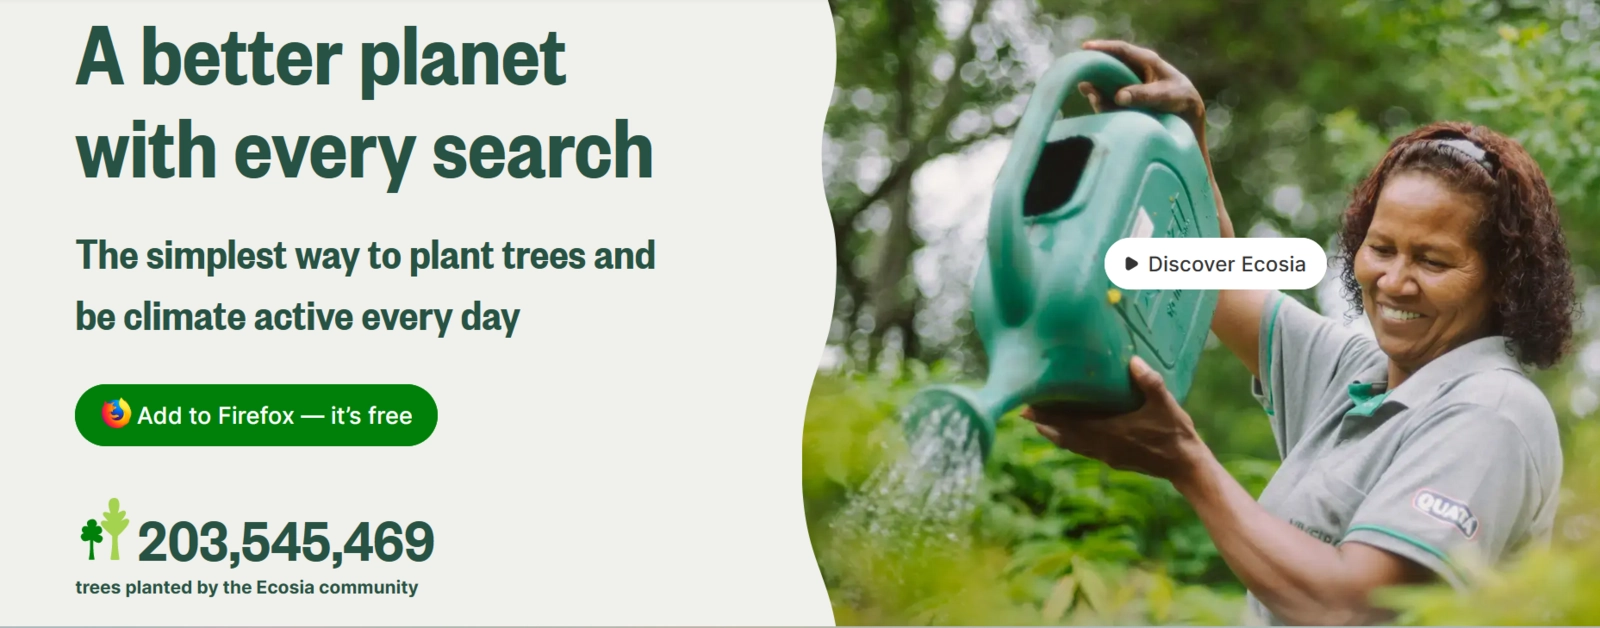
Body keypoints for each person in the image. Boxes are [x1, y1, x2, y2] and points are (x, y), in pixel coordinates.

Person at [1024, 40, 1576, 625]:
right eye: (1381, 248)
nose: (1394, 281)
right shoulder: (1357, 374)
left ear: (1504, 282)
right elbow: (1211, 268)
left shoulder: (1491, 412)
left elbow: (1351, 608)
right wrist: (1182, 144)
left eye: (1433, 262)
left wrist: (1181, 458)